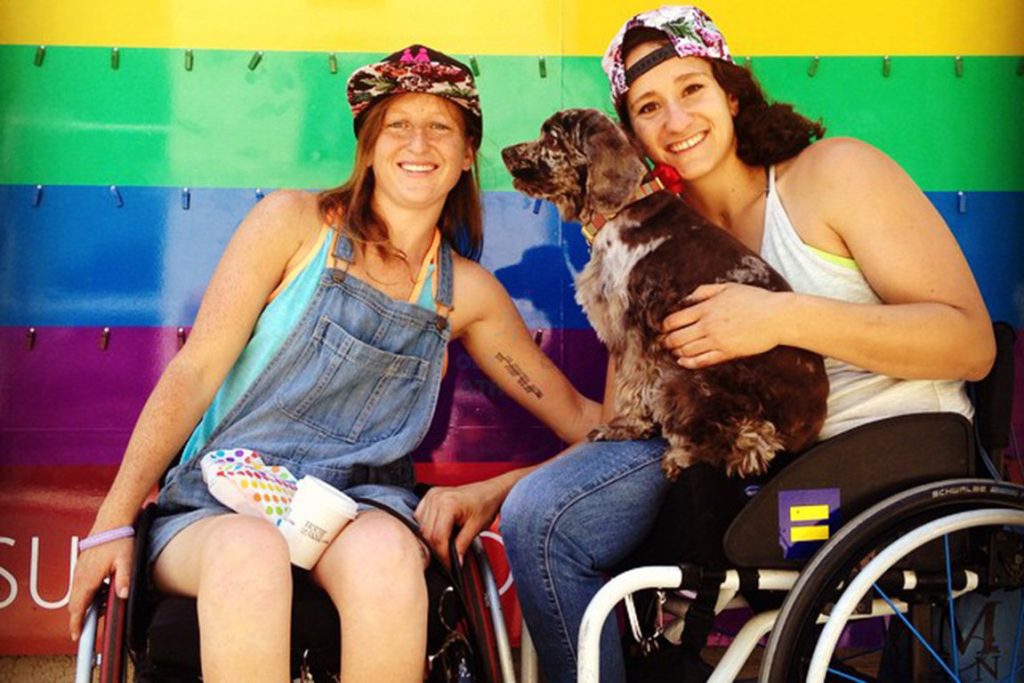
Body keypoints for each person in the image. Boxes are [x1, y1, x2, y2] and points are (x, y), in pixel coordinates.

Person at [437, 6, 994, 682]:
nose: (676, 122)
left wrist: (778, 317)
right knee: (543, 520)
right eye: (648, 106)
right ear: (629, 137)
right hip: (750, 469)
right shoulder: (662, 241)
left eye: (692, 89)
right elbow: (618, 430)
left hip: (883, 463)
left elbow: (970, 343)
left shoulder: (833, 174)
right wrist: (495, 492)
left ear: (730, 92)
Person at [67, 44, 602, 683]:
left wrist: (500, 488)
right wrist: (112, 522)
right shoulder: (291, 224)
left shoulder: (469, 295)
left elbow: (583, 422)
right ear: (369, 147)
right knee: (251, 549)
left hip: (359, 508)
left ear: (465, 158)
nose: (418, 142)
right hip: (218, 506)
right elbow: (194, 372)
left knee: (387, 554)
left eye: (441, 127)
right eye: (397, 124)